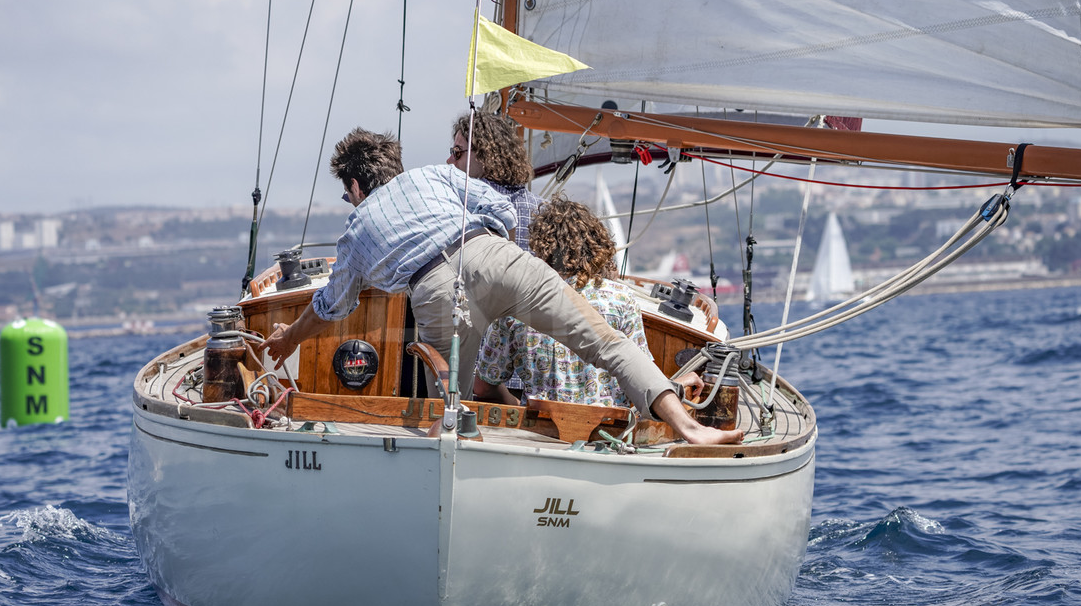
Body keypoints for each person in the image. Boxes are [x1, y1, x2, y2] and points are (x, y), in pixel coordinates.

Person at [262, 128, 742, 446]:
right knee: (606, 343)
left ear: (354, 186)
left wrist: (288, 339)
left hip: (434, 289)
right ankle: (690, 428)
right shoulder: (436, 176)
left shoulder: (356, 229)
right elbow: (503, 208)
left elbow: (331, 306)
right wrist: (493, 250)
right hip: (496, 255)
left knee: (448, 411)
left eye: (346, 193)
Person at [474, 198, 647, 408]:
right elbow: (641, 377)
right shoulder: (622, 299)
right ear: (596, 244)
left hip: (540, 425)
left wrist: (518, 405)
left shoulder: (516, 305)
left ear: (541, 248)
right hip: (607, 425)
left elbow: (483, 388)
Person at [449, 111, 542, 249]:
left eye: (457, 152)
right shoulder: (544, 211)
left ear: (483, 154)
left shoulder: (460, 206)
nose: (450, 160)